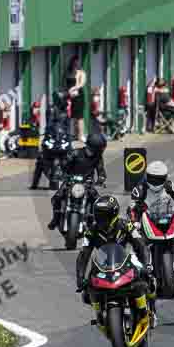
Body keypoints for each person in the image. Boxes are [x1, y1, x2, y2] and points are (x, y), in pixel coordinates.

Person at [75, 194, 156, 325]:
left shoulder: (126, 225)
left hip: (126, 257)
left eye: (105, 216)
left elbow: (141, 245)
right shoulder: (91, 231)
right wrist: (80, 277)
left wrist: (147, 265)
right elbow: (84, 254)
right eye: (98, 215)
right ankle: (99, 313)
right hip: (103, 262)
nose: (101, 219)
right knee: (87, 289)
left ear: (114, 214)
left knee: (148, 278)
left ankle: (149, 309)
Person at [48, 132, 108, 230]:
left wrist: (101, 178)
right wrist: (59, 173)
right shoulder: (75, 153)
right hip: (70, 181)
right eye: (101, 148)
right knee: (56, 198)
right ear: (95, 147)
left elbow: (101, 170)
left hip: (87, 183)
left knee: (98, 202)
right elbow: (63, 164)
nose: (102, 150)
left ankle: (95, 222)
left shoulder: (98, 157)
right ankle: (55, 218)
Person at [65, 55, 87, 142]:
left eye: (77, 62)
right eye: (74, 62)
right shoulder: (68, 72)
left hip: (78, 96)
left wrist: (73, 88)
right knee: (71, 116)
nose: (75, 64)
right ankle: (72, 134)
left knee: (79, 117)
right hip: (69, 96)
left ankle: (81, 135)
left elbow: (82, 84)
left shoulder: (81, 72)